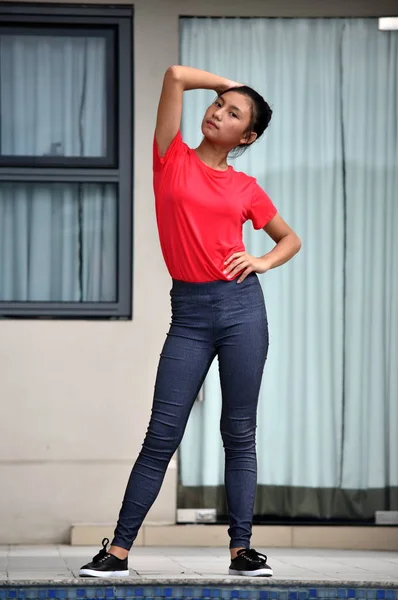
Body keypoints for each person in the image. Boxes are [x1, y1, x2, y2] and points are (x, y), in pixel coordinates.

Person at [79, 66, 301, 579]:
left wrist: (262, 261)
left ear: (246, 136)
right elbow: (176, 75)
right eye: (218, 103)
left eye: (232, 112)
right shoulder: (170, 157)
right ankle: (117, 553)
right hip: (191, 315)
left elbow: (290, 238)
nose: (216, 111)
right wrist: (230, 83)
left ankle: (241, 549)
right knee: (162, 433)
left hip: (243, 310)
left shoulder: (246, 187)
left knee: (238, 432)